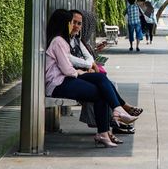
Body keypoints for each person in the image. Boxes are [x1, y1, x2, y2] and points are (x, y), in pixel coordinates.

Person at [45, 9, 138, 147]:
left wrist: (81, 72)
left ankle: (111, 120)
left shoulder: (63, 40)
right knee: (100, 91)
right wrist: (80, 73)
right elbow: (67, 69)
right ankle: (108, 125)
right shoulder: (59, 41)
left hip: (65, 80)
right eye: (71, 22)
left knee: (100, 80)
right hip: (58, 84)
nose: (73, 26)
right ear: (65, 24)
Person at [69, 10, 142, 138]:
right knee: (102, 87)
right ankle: (117, 115)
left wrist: (91, 62)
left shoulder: (77, 40)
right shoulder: (63, 41)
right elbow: (71, 60)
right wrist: (88, 67)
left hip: (83, 73)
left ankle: (114, 120)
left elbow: (89, 58)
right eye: (74, 23)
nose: (77, 26)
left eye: (80, 24)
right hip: (72, 77)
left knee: (107, 84)